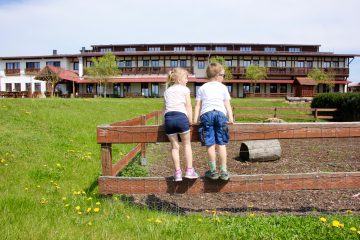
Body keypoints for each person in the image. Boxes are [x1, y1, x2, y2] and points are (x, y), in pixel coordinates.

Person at [193, 62, 234, 181]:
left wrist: (195, 120)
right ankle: (224, 171)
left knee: (210, 143)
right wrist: (230, 117)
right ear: (217, 75)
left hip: (206, 114)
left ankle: (213, 171)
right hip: (220, 114)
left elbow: (197, 105)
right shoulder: (223, 87)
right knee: (221, 143)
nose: (223, 77)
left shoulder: (202, 87)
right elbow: (227, 104)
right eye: (223, 75)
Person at [164, 68, 199, 181]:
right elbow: (188, 106)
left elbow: (164, 108)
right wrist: (190, 121)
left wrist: (163, 122)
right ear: (179, 79)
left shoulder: (167, 91)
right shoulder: (185, 90)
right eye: (186, 78)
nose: (187, 80)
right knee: (187, 145)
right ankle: (189, 170)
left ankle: (178, 173)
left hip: (168, 119)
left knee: (175, 147)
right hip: (181, 118)